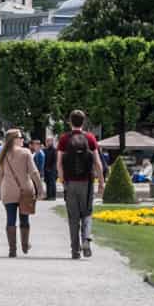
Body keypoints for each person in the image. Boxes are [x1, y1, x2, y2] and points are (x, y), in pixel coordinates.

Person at [57, 109, 104, 259]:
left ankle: (75, 250)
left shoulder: (64, 139)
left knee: (73, 217)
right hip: (87, 182)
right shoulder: (90, 138)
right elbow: (97, 162)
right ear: (83, 122)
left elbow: (59, 163)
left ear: (70, 122)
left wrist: (63, 180)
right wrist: (101, 182)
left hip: (70, 182)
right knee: (87, 213)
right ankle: (86, 239)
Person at [0, 128, 44, 257]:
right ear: (14, 139)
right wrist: (40, 188)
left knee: (10, 219)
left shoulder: (2, 154)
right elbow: (34, 172)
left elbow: (0, 175)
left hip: (8, 191)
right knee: (24, 218)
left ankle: (12, 249)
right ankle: (24, 244)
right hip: (25, 190)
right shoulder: (25, 153)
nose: (22, 140)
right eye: (20, 137)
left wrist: (1, 190)